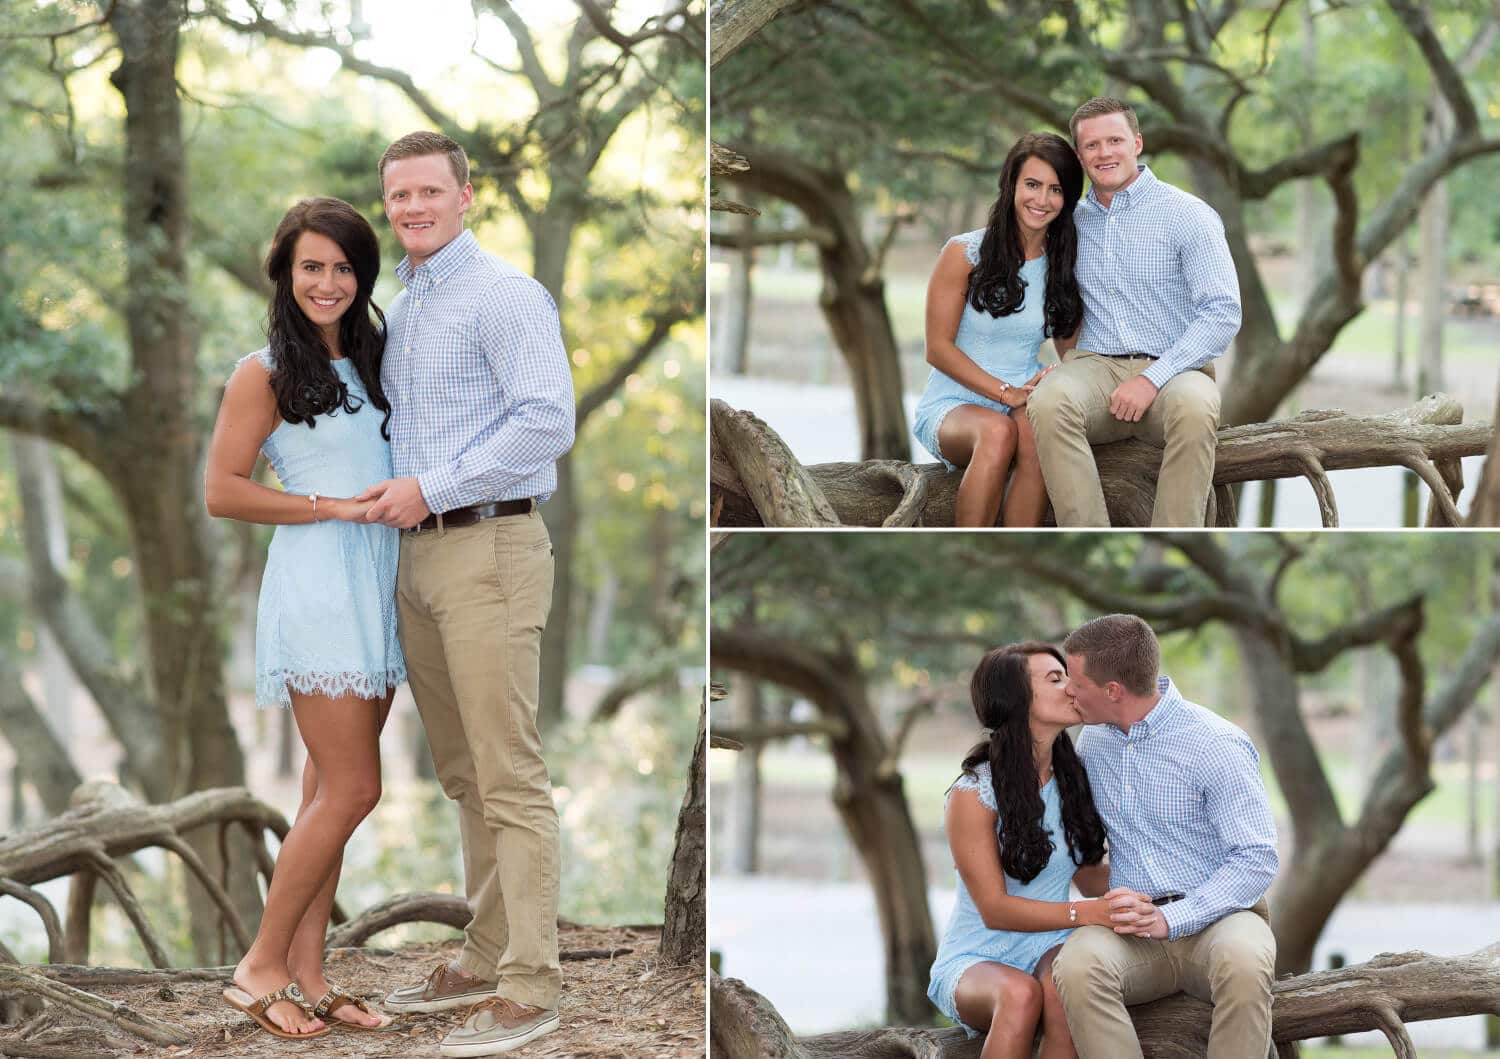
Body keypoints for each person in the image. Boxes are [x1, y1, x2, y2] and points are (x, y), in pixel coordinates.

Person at [358, 130, 575, 1057]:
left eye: (429, 193)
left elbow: (547, 420)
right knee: (460, 771)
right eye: (398, 196)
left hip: (490, 545)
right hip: (417, 559)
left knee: (509, 773)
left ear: (466, 195)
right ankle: (485, 950)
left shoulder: (505, 296)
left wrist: (432, 489)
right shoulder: (404, 309)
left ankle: (534, 983)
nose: (412, 208)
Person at [206, 197, 403, 1038]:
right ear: (286, 272)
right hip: (322, 580)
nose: (328, 282)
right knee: (357, 785)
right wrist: (329, 507)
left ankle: (311, 973)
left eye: (344, 267)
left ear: (362, 276)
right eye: (311, 266)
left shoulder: (375, 356)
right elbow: (222, 491)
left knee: (329, 789)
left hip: (382, 584)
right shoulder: (262, 372)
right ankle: (258, 965)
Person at [1053, 614, 1279, 1059]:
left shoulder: (1216, 744)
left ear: (1113, 690)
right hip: (1133, 931)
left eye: (1075, 681)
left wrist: (1174, 919)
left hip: (1222, 920)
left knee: (1245, 963)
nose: (1068, 691)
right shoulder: (1092, 742)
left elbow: (1256, 858)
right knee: (1077, 966)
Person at [1027, 97, 1241, 527]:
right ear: (1079, 154)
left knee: (1196, 407)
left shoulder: (1187, 214)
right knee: (1049, 402)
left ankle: (1173, 543)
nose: (1104, 153)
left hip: (1176, 370)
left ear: (1137, 143)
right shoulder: (1069, 222)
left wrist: (1151, 379)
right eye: (1091, 145)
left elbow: (1222, 312)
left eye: (1114, 140)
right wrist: (1060, 364)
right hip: (1095, 367)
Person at [928, 642, 1123, 1059]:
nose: (1072, 687)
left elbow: (1089, 878)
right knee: (1019, 995)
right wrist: (1088, 913)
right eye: (1055, 679)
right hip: (978, 957)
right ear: (1017, 699)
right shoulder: (973, 793)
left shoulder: (1073, 777)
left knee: (1065, 988)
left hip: (1052, 944)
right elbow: (995, 909)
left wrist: (1167, 882)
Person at [911, 132, 1085, 527]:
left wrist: (1058, 378)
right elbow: (937, 348)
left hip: (1025, 400)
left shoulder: (1062, 266)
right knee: (997, 431)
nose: (1042, 200)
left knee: (1039, 433)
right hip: (954, 404)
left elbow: (1072, 354)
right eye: (1033, 184)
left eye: (1055, 189)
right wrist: (1006, 392)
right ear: (1011, 184)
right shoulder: (964, 252)